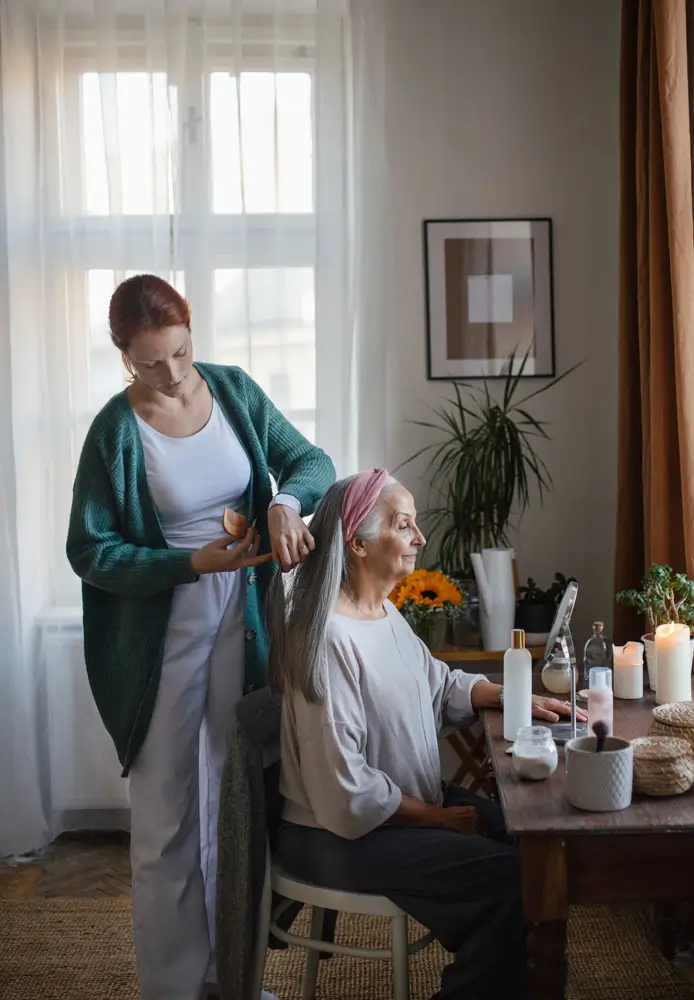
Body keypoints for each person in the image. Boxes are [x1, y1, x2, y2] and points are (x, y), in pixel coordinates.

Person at [66, 274, 335, 1000]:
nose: (174, 375)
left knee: (233, 808)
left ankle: (233, 977)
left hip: (239, 626)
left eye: (182, 353)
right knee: (166, 821)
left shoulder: (234, 390)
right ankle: (175, 987)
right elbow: (90, 551)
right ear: (124, 354)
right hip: (159, 641)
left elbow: (313, 463)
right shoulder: (116, 431)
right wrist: (187, 561)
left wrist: (282, 503)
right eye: (152, 362)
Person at [269, 469, 586, 1000]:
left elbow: (433, 682)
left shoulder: (383, 612)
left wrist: (502, 694)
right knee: (508, 879)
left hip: (396, 813)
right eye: (404, 525)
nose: (419, 538)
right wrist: (438, 819)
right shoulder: (327, 638)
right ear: (359, 544)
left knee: (530, 843)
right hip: (336, 837)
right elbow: (345, 793)